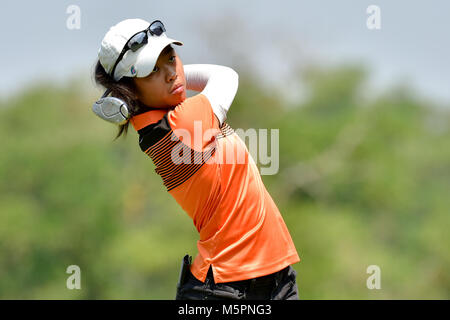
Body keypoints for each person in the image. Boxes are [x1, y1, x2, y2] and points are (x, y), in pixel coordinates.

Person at [93, 18, 300, 300]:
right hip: (226, 289)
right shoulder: (182, 123)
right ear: (128, 88)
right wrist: (142, 89)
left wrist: (144, 89)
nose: (171, 73)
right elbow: (226, 76)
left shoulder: (161, 121)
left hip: (273, 278)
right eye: (152, 70)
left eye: (171, 58)